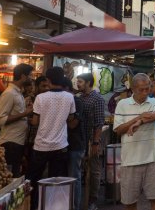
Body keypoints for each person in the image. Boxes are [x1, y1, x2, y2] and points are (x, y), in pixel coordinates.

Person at [27, 67, 78, 208]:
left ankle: (33, 206)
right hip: (60, 146)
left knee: (33, 180)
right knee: (57, 181)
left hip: (41, 146)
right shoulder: (69, 97)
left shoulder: (40, 98)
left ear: (48, 80)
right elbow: (71, 119)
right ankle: (55, 206)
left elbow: (35, 122)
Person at [113, 73, 155, 210]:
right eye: (141, 89)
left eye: (148, 88)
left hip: (152, 159)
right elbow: (118, 130)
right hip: (130, 161)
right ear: (133, 89)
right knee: (130, 203)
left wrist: (140, 122)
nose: (145, 92)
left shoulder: (154, 101)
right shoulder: (122, 104)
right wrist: (138, 117)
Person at [0, 63, 34, 177]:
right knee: (10, 176)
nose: (31, 78)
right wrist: (24, 114)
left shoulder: (18, 93)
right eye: (30, 75)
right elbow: (0, 120)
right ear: (23, 76)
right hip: (10, 142)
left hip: (18, 141)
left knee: (15, 174)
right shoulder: (9, 93)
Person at [76, 73, 106, 210]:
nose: (78, 84)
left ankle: (93, 200)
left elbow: (99, 123)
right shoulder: (79, 98)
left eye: (80, 81)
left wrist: (95, 142)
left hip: (92, 140)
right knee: (81, 169)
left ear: (88, 83)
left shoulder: (97, 99)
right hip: (80, 139)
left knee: (94, 171)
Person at [62, 78, 85, 210]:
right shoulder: (67, 101)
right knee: (66, 177)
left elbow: (73, 124)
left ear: (65, 88)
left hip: (75, 145)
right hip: (64, 145)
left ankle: (75, 206)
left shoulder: (76, 101)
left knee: (74, 177)